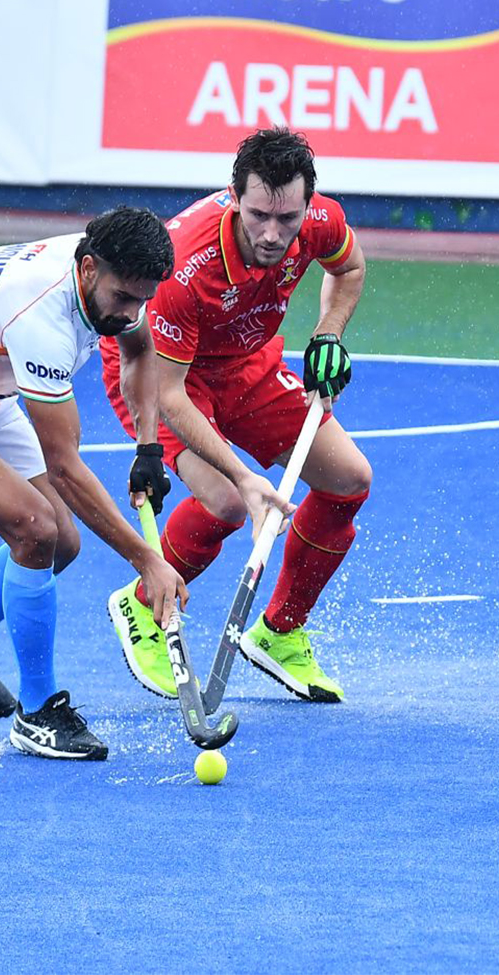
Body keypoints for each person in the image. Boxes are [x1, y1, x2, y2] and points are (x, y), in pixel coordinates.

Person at [0, 207, 289, 760]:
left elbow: (140, 349)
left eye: (142, 300)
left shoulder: (116, 274)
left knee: (63, 542)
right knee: (35, 529)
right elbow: (64, 467)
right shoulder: (41, 320)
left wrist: (149, 448)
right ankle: (37, 714)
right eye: (123, 299)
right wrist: (148, 561)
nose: (131, 311)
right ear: (88, 270)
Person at [100, 127, 370, 704]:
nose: (272, 234)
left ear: (307, 204)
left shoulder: (319, 221)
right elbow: (170, 395)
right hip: (160, 374)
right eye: (257, 216)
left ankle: (280, 632)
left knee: (349, 480)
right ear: (233, 196)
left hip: (245, 360)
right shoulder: (185, 266)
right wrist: (246, 479)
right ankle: (142, 605)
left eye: (287, 218)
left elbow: (348, 268)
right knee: (224, 501)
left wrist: (328, 334)